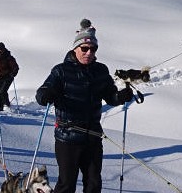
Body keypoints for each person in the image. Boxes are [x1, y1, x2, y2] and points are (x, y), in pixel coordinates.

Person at [35, 20, 134, 193]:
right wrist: (46, 94)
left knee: (94, 183)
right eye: (84, 48)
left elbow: (110, 96)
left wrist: (120, 97)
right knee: (67, 184)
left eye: (93, 49)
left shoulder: (101, 70)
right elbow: (41, 94)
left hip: (93, 136)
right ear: (75, 48)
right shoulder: (61, 71)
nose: (89, 53)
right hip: (68, 137)